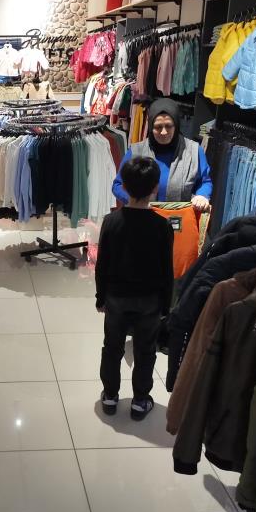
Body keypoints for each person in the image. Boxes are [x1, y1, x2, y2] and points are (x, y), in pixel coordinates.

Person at [95, 156, 175, 421]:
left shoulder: (111, 221)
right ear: (155, 188)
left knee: (112, 347)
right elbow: (166, 270)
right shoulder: (162, 225)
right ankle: (140, 400)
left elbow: (102, 264)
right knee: (145, 350)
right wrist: (166, 305)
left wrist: (100, 297)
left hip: (116, 297)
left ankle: (110, 395)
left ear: (125, 187)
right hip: (150, 301)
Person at [111, 99, 213, 212]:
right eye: (158, 127)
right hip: (142, 217)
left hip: (179, 219)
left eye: (168, 126)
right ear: (151, 127)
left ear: (176, 125)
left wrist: (202, 195)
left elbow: (204, 181)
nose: (164, 132)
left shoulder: (193, 151)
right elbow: (118, 185)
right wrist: (136, 201)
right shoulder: (136, 151)